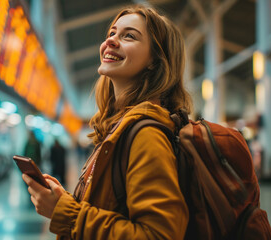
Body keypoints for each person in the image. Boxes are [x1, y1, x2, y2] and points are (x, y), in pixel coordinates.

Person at [22, 5, 191, 239]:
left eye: (129, 36)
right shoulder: (119, 127)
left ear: (155, 60)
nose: (110, 41)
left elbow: (158, 235)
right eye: (111, 33)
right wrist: (66, 201)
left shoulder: (146, 134)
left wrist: (65, 212)